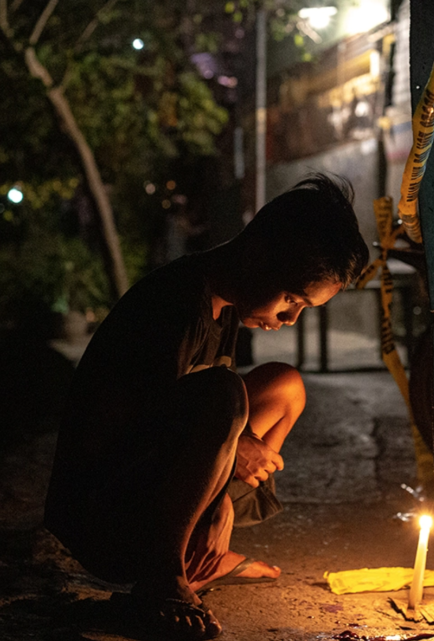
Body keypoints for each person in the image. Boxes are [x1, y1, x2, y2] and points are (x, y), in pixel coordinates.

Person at [43, 173, 370, 640]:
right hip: (101, 518)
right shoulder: (173, 304)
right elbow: (130, 431)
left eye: (303, 309)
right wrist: (225, 474)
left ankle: (204, 552)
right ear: (258, 255)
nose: (291, 318)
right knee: (224, 392)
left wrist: (227, 498)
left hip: (153, 486)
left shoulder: (226, 306)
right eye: (292, 299)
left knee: (285, 386)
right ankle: (163, 576)